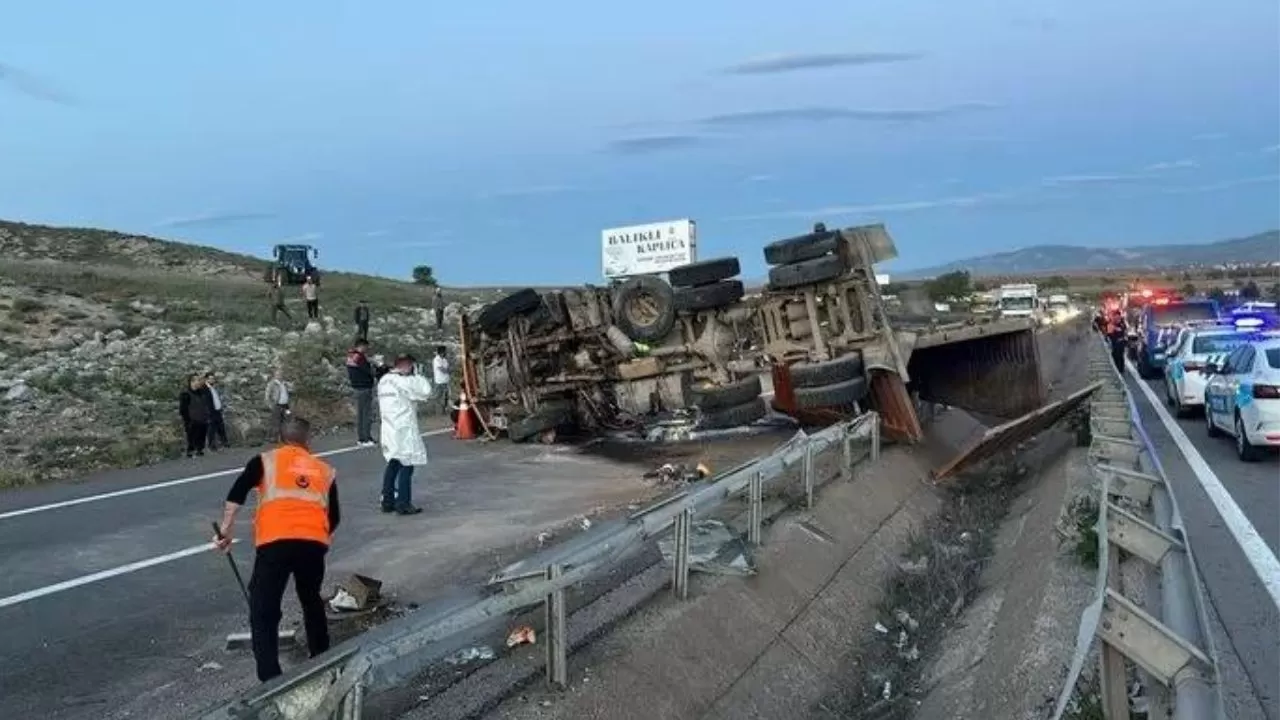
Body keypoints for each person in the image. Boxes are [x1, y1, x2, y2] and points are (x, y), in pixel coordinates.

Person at [212, 415, 339, 682]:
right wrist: (319, 540)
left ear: (280, 438)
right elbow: (334, 516)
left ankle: (270, 678)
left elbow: (237, 494)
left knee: (263, 607)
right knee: (311, 599)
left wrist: (225, 531)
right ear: (309, 440)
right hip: (313, 544)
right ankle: (322, 659)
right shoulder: (323, 470)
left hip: (275, 543)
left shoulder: (265, 460)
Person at [376, 354, 434, 515]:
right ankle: (403, 502)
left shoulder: (384, 380)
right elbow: (425, 392)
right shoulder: (404, 381)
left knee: (393, 463)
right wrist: (417, 375)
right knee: (407, 465)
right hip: (404, 429)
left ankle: (387, 501)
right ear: (408, 365)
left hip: (389, 427)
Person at [346, 339, 379, 446]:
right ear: (362, 346)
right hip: (364, 387)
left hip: (356, 387)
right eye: (366, 347)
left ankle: (361, 438)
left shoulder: (351, 356)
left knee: (361, 414)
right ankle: (366, 438)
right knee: (366, 414)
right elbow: (369, 372)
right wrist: (375, 366)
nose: (367, 349)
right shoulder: (360, 357)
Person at [179, 373, 213, 458]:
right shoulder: (186, 394)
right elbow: (183, 409)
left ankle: (200, 450)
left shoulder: (202, 393)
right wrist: (188, 420)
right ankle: (190, 452)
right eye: (196, 380)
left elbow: (205, 405)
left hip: (203, 420)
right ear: (191, 382)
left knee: (201, 438)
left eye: (199, 380)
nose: (198, 382)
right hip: (192, 421)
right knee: (191, 438)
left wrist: (207, 416)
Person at [264, 368, 292, 441]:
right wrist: (270, 405)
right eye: (278, 374)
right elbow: (267, 396)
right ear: (275, 375)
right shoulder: (272, 384)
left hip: (286, 405)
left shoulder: (284, 383)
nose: (280, 376)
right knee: (277, 422)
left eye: (281, 374)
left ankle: (284, 437)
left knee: (287, 420)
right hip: (277, 406)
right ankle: (275, 438)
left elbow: (290, 391)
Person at [205, 370, 230, 451]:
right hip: (211, 412)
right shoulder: (205, 389)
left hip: (217, 411)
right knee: (211, 429)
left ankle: (224, 442)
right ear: (206, 379)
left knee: (221, 427)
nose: (212, 380)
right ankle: (211, 445)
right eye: (210, 379)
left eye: (213, 379)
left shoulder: (213, 388)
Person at [431, 345, 451, 415]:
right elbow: (442, 370)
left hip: (446, 380)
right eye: (445, 351)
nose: (446, 353)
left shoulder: (445, 360)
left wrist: (448, 371)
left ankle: (443, 410)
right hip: (439, 381)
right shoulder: (436, 360)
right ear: (442, 352)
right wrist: (448, 371)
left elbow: (447, 368)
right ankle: (438, 410)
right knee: (438, 397)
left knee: (446, 396)